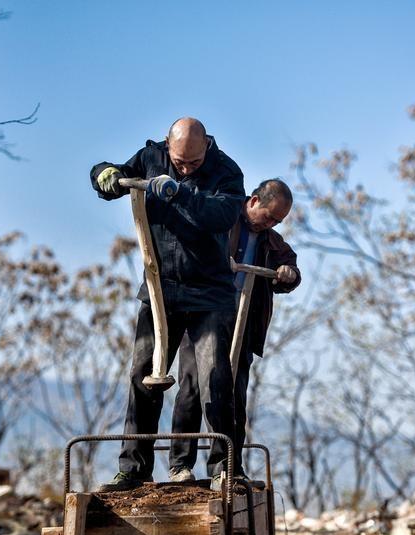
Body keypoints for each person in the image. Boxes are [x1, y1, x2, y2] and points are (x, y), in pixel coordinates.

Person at [90, 117, 245, 491]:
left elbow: (221, 216)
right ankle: (133, 469)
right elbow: (115, 176)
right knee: (143, 375)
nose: (186, 167)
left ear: (207, 144)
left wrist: (181, 192)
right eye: (179, 162)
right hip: (160, 290)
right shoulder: (151, 157)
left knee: (214, 380)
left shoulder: (226, 171)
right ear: (167, 146)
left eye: (193, 163)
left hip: (209, 293)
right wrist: (103, 175)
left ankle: (226, 468)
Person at [169, 178, 301, 482]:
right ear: (253, 201)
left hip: (243, 325)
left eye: (277, 221)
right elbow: (189, 249)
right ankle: (180, 465)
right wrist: (216, 263)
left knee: (233, 397)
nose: (270, 223)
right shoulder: (222, 218)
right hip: (202, 318)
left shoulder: (271, 241)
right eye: (268, 216)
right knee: (192, 388)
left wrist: (288, 274)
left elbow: (291, 269)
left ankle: (226, 468)